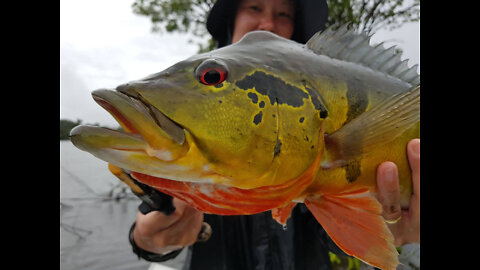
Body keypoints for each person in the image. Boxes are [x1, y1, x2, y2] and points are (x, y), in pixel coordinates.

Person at [128, 0, 420, 269]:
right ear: (232, 20)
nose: (267, 24)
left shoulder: (310, 95)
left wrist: (394, 227)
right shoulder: (192, 136)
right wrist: (149, 240)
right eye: (254, 7)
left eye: (283, 14)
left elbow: (333, 233)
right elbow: (151, 227)